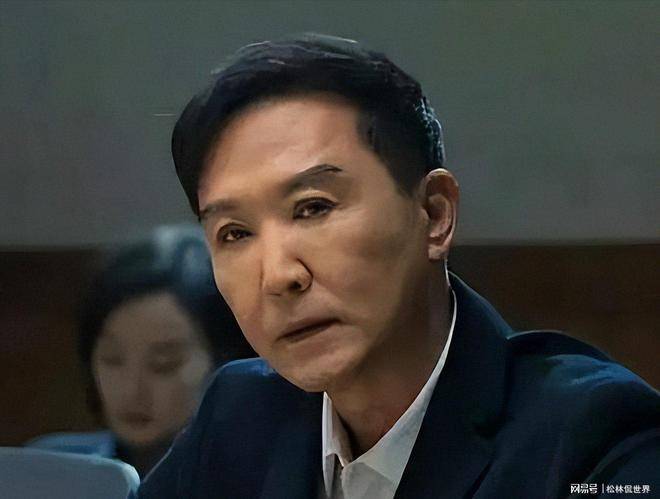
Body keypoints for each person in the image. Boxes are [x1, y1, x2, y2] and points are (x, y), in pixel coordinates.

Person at [139, 35, 660, 498]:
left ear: (434, 214)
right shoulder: (239, 417)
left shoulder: (594, 438)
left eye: (313, 207)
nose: (278, 275)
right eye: (234, 233)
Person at [28, 225, 255, 477]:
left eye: (163, 364)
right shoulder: (51, 467)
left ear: (224, 360)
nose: (132, 391)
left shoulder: (264, 476)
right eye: (112, 359)